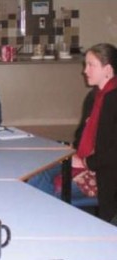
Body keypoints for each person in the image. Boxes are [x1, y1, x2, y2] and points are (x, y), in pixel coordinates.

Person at [28, 43, 117, 222]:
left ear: (107, 69)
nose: (85, 70)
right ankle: (53, 218)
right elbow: (81, 135)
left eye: (91, 65)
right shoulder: (94, 97)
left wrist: (85, 162)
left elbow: (112, 153)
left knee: (41, 190)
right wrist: (73, 151)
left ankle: (55, 223)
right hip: (83, 158)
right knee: (35, 174)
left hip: (104, 174)